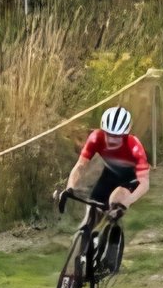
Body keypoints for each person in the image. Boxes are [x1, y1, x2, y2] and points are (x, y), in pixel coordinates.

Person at [60, 107, 151, 270]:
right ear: (103, 130)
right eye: (109, 135)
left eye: (118, 137)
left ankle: (112, 249)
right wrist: (69, 188)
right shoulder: (96, 138)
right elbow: (80, 166)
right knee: (90, 215)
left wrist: (127, 202)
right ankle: (78, 266)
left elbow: (144, 183)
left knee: (115, 201)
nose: (113, 140)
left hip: (131, 179)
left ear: (126, 134)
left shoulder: (134, 145)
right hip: (109, 176)